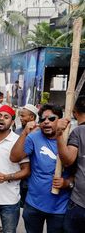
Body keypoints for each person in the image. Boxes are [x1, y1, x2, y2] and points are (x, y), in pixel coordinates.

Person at [10, 104, 72, 233]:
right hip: (34, 204)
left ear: (60, 120)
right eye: (43, 120)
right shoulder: (34, 137)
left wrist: (67, 183)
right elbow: (15, 157)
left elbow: (76, 171)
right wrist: (25, 133)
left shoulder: (70, 140)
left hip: (59, 207)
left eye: (51, 118)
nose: (46, 122)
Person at [0, 105, 30, 233]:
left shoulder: (18, 141)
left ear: (12, 122)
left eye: (6, 117)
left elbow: (26, 170)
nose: (1, 119)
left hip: (10, 201)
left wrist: (8, 177)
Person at [56, 95, 85, 233]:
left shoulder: (79, 131)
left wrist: (59, 133)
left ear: (75, 112)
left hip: (80, 204)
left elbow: (68, 160)